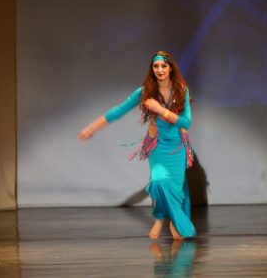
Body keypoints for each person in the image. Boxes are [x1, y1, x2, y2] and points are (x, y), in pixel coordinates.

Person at [78, 50, 196, 240]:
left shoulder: (182, 90)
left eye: (163, 66)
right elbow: (118, 111)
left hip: (177, 147)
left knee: (175, 188)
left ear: (171, 68)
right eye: (156, 66)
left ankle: (169, 220)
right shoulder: (144, 92)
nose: (159, 70)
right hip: (157, 146)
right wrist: (91, 128)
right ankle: (162, 218)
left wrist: (159, 110)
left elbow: (186, 122)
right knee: (158, 181)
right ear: (152, 69)